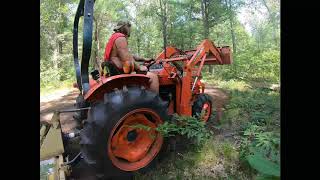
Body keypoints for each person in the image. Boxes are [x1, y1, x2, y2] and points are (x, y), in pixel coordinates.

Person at [103, 21, 159, 94]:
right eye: (129, 28)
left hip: (115, 71)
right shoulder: (120, 38)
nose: (130, 31)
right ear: (125, 28)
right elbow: (127, 59)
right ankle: (154, 102)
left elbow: (129, 55)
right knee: (153, 77)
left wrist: (144, 59)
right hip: (120, 73)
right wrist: (139, 68)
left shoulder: (114, 38)